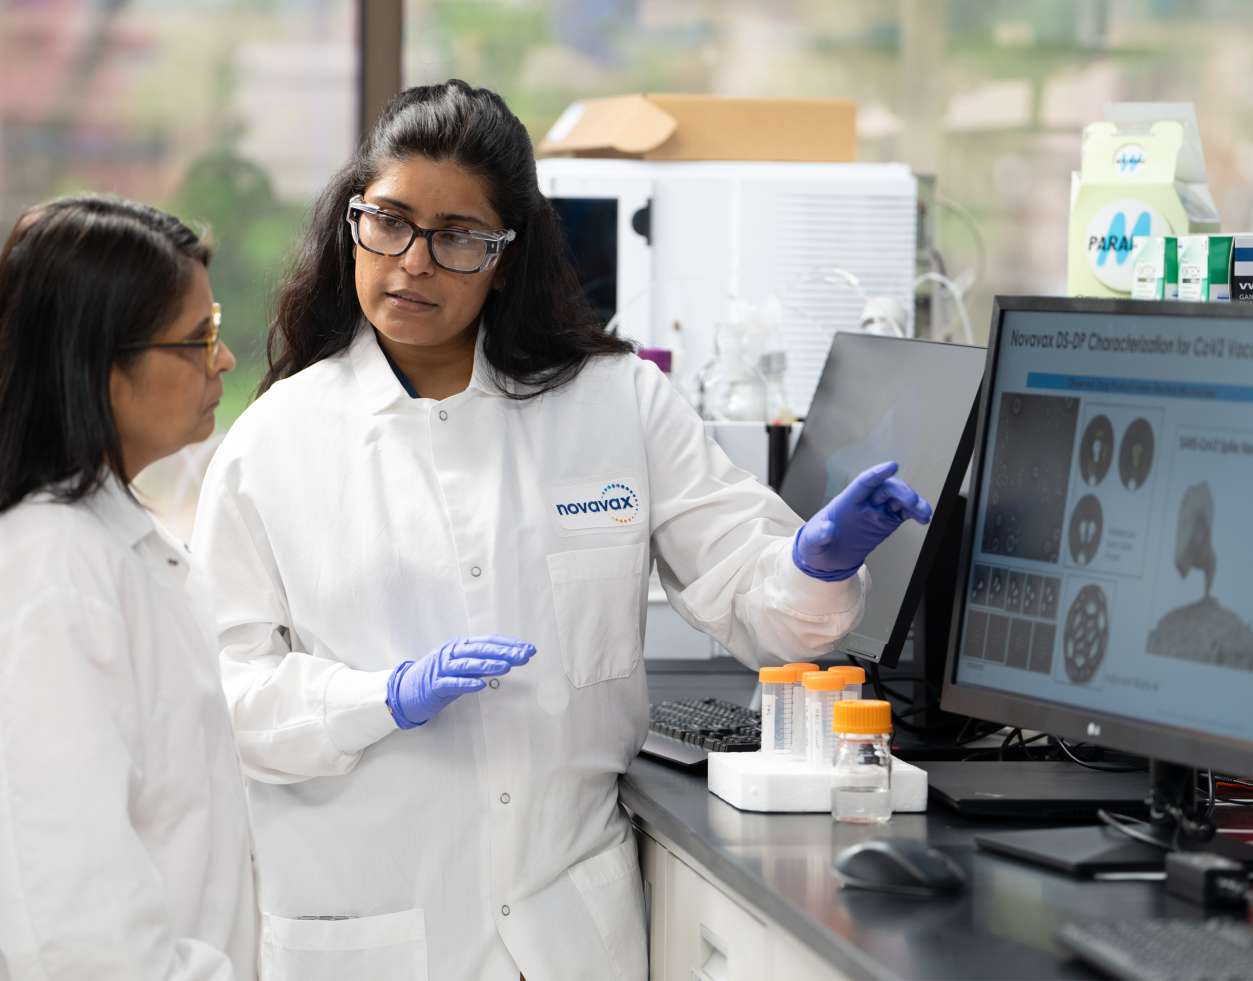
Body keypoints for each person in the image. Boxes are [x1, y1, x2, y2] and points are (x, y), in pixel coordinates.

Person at [192, 79, 930, 981]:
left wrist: (816, 562)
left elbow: (757, 602)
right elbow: (224, 695)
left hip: (567, 928)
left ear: (505, 256)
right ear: (352, 223)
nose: (414, 261)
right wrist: (374, 698)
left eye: (457, 236)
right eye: (388, 222)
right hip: (372, 932)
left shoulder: (613, 403)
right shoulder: (275, 441)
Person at [0, 195, 254, 980]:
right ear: (102, 367)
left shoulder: (119, 544)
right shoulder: (52, 562)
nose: (224, 359)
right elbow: (72, 918)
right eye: (198, 338)